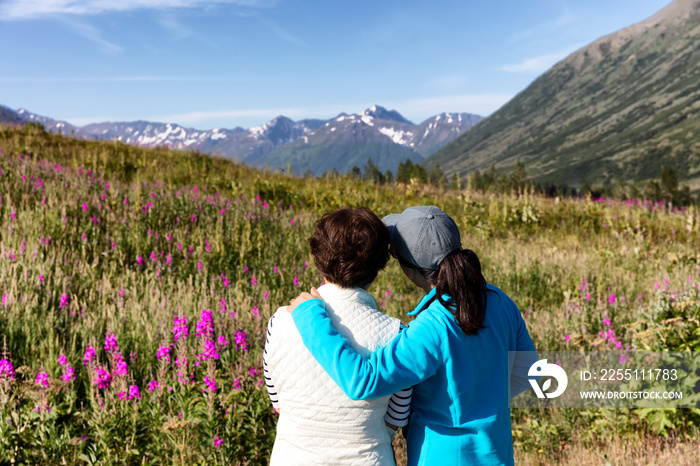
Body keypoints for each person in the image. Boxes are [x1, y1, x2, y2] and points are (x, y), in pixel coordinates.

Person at [287, 206, 538, 466]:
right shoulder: (500, 301)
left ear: (410, 268)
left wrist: (310, 319)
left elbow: (362, 381)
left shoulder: (432, 325)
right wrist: (481, 398)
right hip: (497, 454)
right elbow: (527, 371)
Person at [264, 207, 413, 466]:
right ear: (378, 266)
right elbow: (397, 418)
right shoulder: (397, 335)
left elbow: (277, 399)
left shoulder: (280, 321)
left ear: (319, 257)